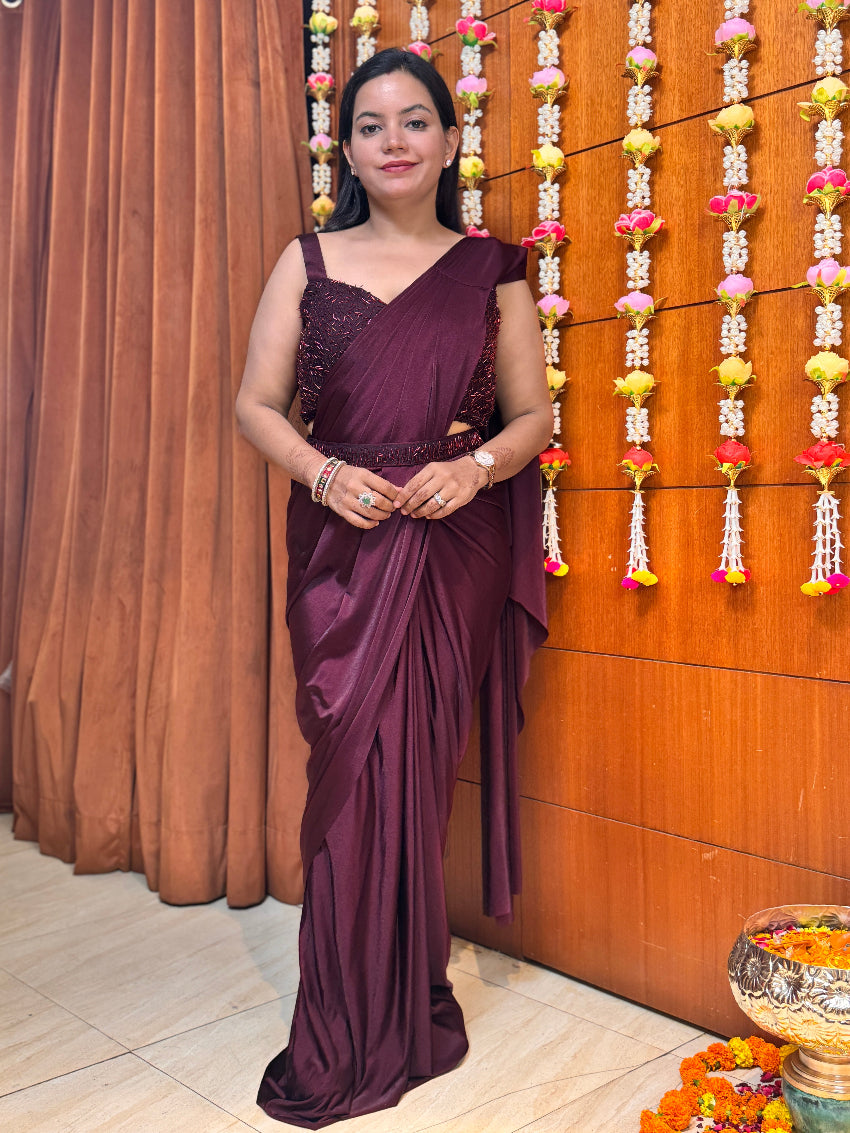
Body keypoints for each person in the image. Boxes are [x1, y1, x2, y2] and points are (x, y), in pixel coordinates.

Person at [235, 46, 552, 1129]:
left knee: (413, 772)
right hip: (338, 543)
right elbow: (256, 405)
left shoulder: (494, 269)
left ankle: (402, 1001)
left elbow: (529, 419)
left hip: (449, 543)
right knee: (350, 762)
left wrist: (476, 469)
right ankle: (345, 1013)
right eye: (370, 126)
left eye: (415, 121)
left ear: (450, 141)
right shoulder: (307, 260)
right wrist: (324, 473)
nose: (395, 142)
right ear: (349, 151)